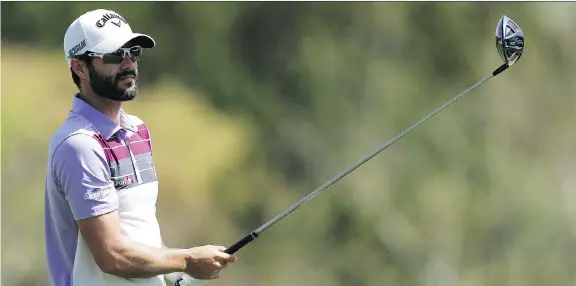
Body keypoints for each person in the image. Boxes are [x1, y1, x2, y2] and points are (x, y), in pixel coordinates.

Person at [44, 9, 236, 286]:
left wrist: (179, 273)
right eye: (113, 55)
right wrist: (188, 259)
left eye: (132, 53)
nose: (128, 64)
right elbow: (112, 256)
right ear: (80, 67)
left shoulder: (137, 130)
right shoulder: (79, 145)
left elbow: (137, 228)